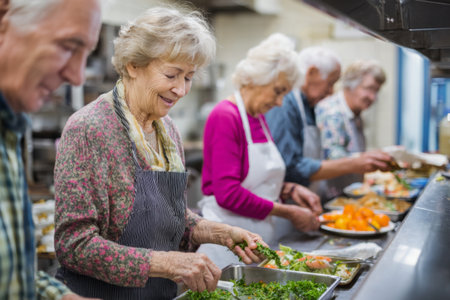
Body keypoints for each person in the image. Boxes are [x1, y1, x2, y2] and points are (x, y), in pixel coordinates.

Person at [53, 6, 265, 300]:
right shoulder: (89, 129)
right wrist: (166, 263)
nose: (180, 90)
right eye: (171, 75)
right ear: (133, 66)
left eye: (188, 77)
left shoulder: (167, 130)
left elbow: (171, 219)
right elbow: (73, 245)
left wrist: (222, 234)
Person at [0, 0, 102, 299]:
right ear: (4, 15)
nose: (77, 76)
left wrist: (62, 297)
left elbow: (12, 273)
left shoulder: (9, 130)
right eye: (69, 46)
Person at [197, 33, 323, 269]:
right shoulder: (226, 116)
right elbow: (228, 194)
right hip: (226, 248)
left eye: (284, 94)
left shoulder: (259, 118)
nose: (279, 103)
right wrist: (289, 212)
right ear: (255, 79)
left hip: (256, 242)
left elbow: (254, 183)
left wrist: (290, 189)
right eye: (278, 91)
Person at [266, 47, 392, 201]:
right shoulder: (286, 105)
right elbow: (291, 166)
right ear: (311, 73)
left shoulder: (309, 105)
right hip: (285, 204)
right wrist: (356, 163)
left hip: (306, 199)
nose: (331, 91)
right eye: (330, 83)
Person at [316, 59, 388, 195]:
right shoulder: (333, 112)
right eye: (369, 88)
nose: (373, 97)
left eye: (377, 91)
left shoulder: (356, 113)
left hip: (348, 195)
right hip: (329, 198)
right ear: (350, 85)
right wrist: (369, 159)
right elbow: (333, 158)